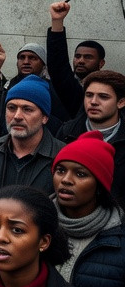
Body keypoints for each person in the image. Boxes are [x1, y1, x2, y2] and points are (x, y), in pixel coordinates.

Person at [0, 47, 65, 268]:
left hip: (37, 267)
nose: (17, 116)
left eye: (27, 109)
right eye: (11, 108)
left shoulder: (62, 158)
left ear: (44, 117)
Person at [50, 130, 125, 287]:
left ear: (99, 184)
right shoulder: (35, 228)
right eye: (60, 170)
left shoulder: (118, 242)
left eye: (80, 174)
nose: (66, 180)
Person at [59, 70, 125, 200]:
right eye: (89, 95)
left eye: (103, 97)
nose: (93, 102)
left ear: (121, 102)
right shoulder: (67, 133)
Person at [46, 1, 106, 117]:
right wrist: (57, 22)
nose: (81, 61)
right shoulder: (65, 85)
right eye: (77, 56)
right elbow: (58, 66)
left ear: (101, 63)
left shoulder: (110, 87)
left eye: (88, 57)